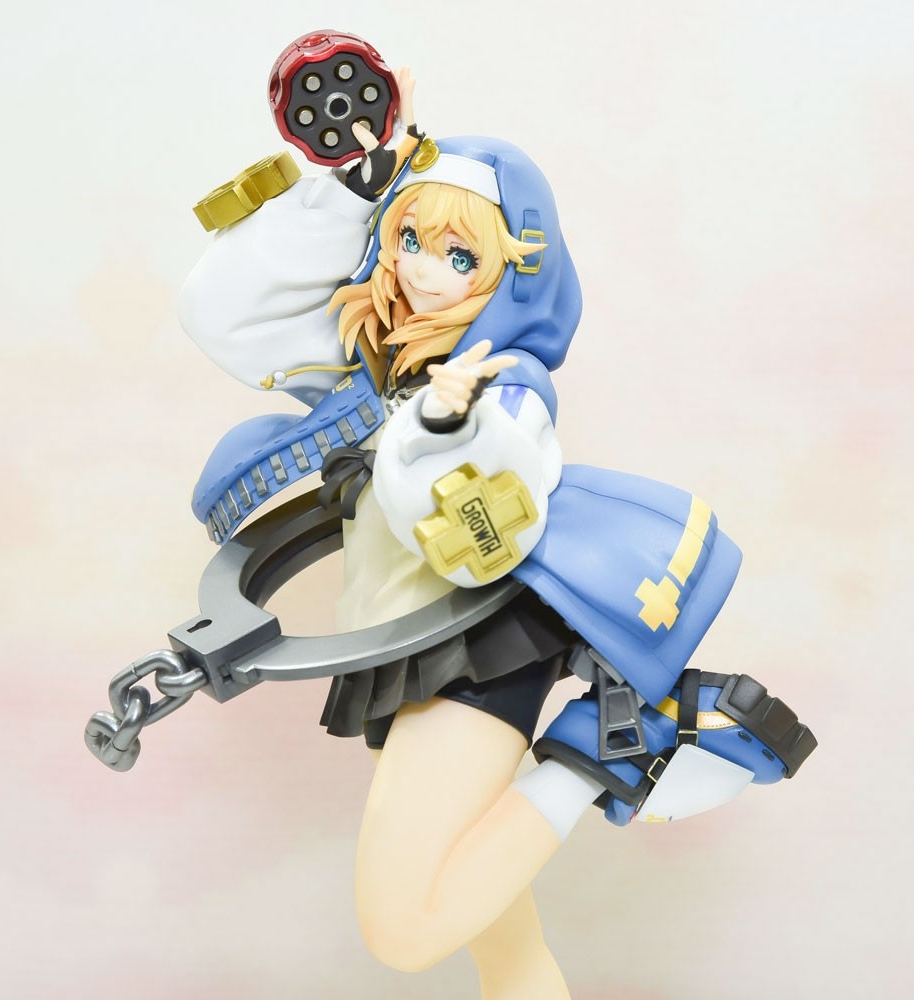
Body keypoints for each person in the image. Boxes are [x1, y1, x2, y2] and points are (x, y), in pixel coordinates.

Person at [178, 73, 814, 999]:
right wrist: (345, 186)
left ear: (512, 270)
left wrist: (438, 429)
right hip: (405, 645)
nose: (422, 269)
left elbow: (486, 527)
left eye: (458, 255)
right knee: (501, 946)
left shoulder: (499, 384)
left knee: (404, 928)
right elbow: (224, 314)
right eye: (407, 239)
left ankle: (595, 756)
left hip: (470, 649)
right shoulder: (380, 369)